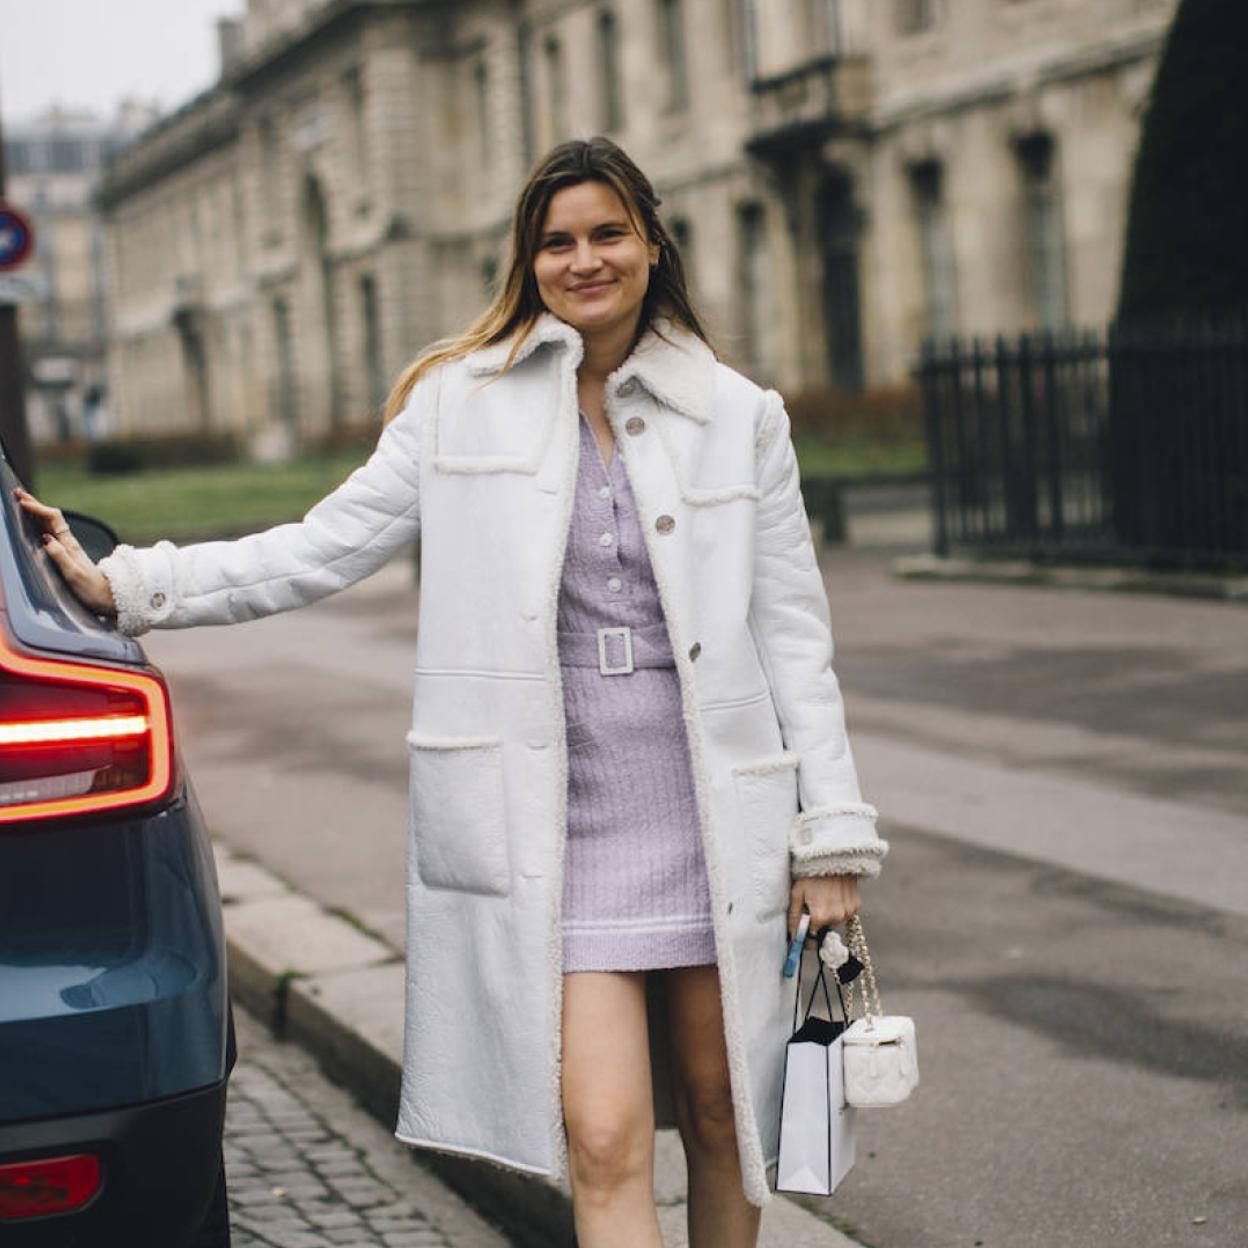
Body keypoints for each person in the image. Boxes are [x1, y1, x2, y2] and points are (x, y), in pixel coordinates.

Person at [17, 137, 887, 1248]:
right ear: (527, 260)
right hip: (560, 834)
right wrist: (130, 582)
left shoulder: (740, 415)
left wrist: (831, 846)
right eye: (556, 241)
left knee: (730, 1120)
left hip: (721, 819)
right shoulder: (456, 406)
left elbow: (795, 640)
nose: (584, 260)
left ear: (652, 244)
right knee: (606, 1137)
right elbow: (316, 548)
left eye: (608, 233)